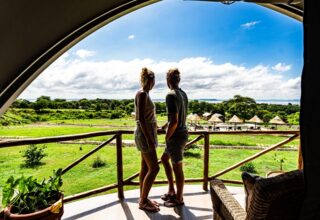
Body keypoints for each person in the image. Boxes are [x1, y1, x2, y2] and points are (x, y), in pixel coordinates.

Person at [161, 68, 188, 207]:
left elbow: (175, 121)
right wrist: (164, 126)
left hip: (176, 136)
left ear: (168, 80)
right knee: (164, 159)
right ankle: (172, 190)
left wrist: (166, 136)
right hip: (182, 133)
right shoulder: (183, 94)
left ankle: (179, 199)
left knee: (178, 168)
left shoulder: (170, 95)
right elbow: (175, 117)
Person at [134, 67, 160, 212]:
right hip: (145, 135)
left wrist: (157, 127)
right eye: (151, 79)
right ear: (147, 80)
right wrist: (150, 138)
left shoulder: (145, 94)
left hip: (148, 133)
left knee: (145, 168)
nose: (152, 82)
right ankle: (143, 201)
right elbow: (141, 119)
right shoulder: (142, 94)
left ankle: (143, 198)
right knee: (155, 168)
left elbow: (147, 117)